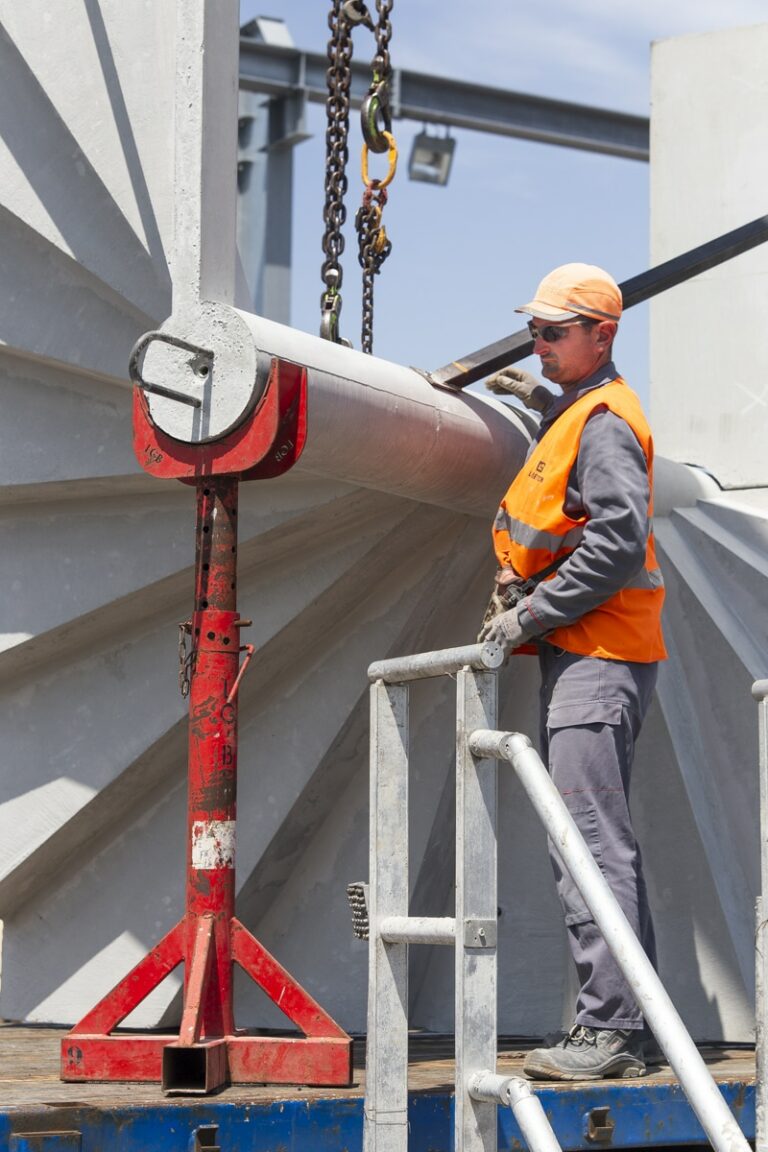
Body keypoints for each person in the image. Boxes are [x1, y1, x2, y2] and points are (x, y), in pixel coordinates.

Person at [481, 263, 666, 1081]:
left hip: (596, 654)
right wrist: (541, 402)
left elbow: (617, 540)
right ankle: (633, 1022)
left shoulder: (604, 422)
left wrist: (527, 614)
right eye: (535, 331)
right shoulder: (582, 413)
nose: (541, 343)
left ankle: (612, 1031)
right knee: (599, 843)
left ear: (604, 334)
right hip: (590, 651)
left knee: (589, 846)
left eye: (555, 333)